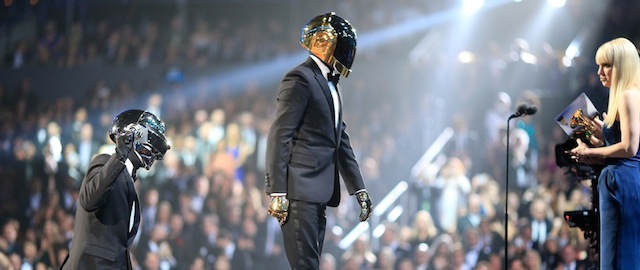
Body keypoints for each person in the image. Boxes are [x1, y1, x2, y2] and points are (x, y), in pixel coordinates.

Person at [264, 12, 372, 269]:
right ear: (323, 41)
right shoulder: (300, 78)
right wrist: (277, 191)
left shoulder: (332, 84)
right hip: (299, 193)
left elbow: (340, 141)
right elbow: (280, 134)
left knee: (309, 264)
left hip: (318, 194)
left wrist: (358, 188)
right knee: (306, 265)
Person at [60, 109, 170, 270]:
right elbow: (89, 199)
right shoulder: (104, 161)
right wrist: (120, 155)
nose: (153, 153)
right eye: (150, 143)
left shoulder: (128, 178)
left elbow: (119, 246)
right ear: (132, 135)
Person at [569, 37, 640, 269]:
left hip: (623, 181)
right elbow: (613, 140)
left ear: (623, 65)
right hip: (620, 179)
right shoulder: (624, 94)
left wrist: (593, 153)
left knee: (619, 255)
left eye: (606, 65)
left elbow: (629, 147)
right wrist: (592, 132)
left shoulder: (629, 95)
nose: (600, 71)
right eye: (599, 65)